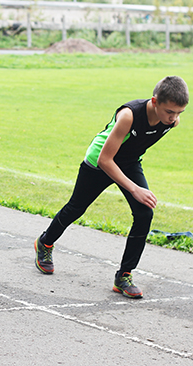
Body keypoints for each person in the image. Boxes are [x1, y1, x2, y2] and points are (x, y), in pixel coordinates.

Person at [34, 76, 189, 299]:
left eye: (179, 113)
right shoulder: (129, 115)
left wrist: (132, 179)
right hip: (99, 161)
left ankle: (124, 275)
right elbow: (105, 160)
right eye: (170, 112)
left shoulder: (171, 121)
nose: (174, 118)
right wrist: (135, 188)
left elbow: (138, 144)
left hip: (127, 162)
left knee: (144, 213)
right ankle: (45, 242)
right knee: (76, 208)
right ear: (154, 102)